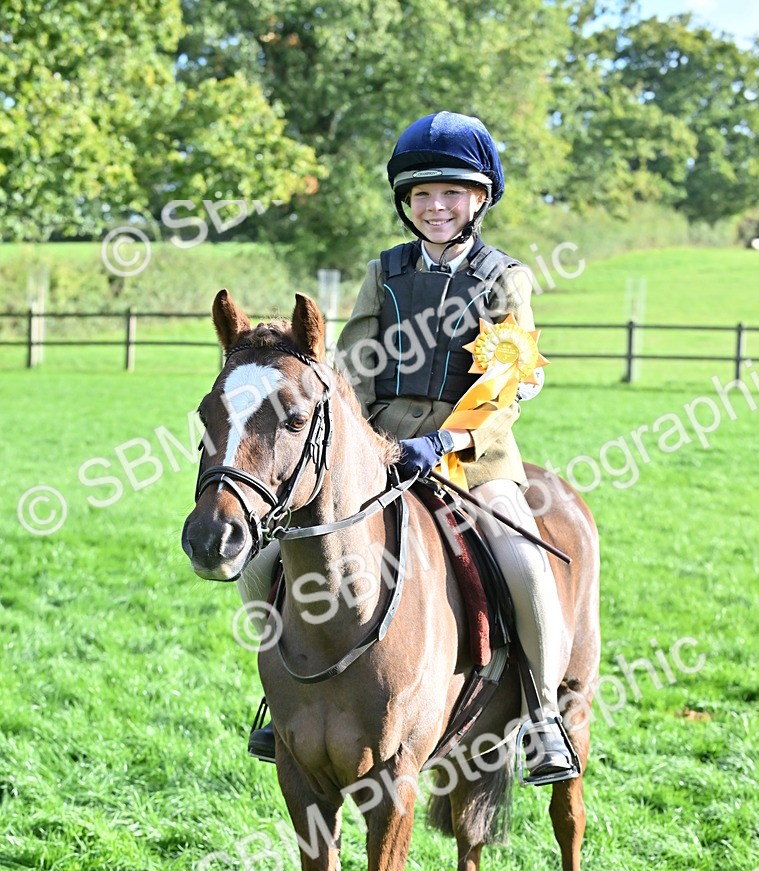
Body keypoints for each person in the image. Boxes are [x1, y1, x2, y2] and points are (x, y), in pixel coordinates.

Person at [245, 110, 578, 785]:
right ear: (405, 204)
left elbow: (512, 386)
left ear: (480, 199)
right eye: (422, 195)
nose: (436, 207)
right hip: (382, 451)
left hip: (473, 454)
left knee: (524, 563)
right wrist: (364, 446)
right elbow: (355, 369)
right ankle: (281, 701)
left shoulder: (505, 278)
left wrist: (449, 437)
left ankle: (543, 715)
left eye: (452, 193)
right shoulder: (385, 272)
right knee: (263, 558)